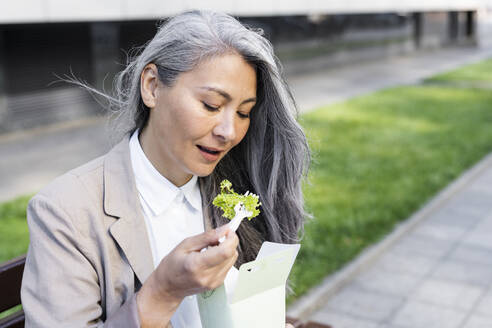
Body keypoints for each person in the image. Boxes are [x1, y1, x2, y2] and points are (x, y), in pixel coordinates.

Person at [21, 10, 310, 328]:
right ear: (152, 86)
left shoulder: (239, 188)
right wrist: (164, 291)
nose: (229, 131)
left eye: (243, 112)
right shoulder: (66, 212)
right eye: (211, 105)